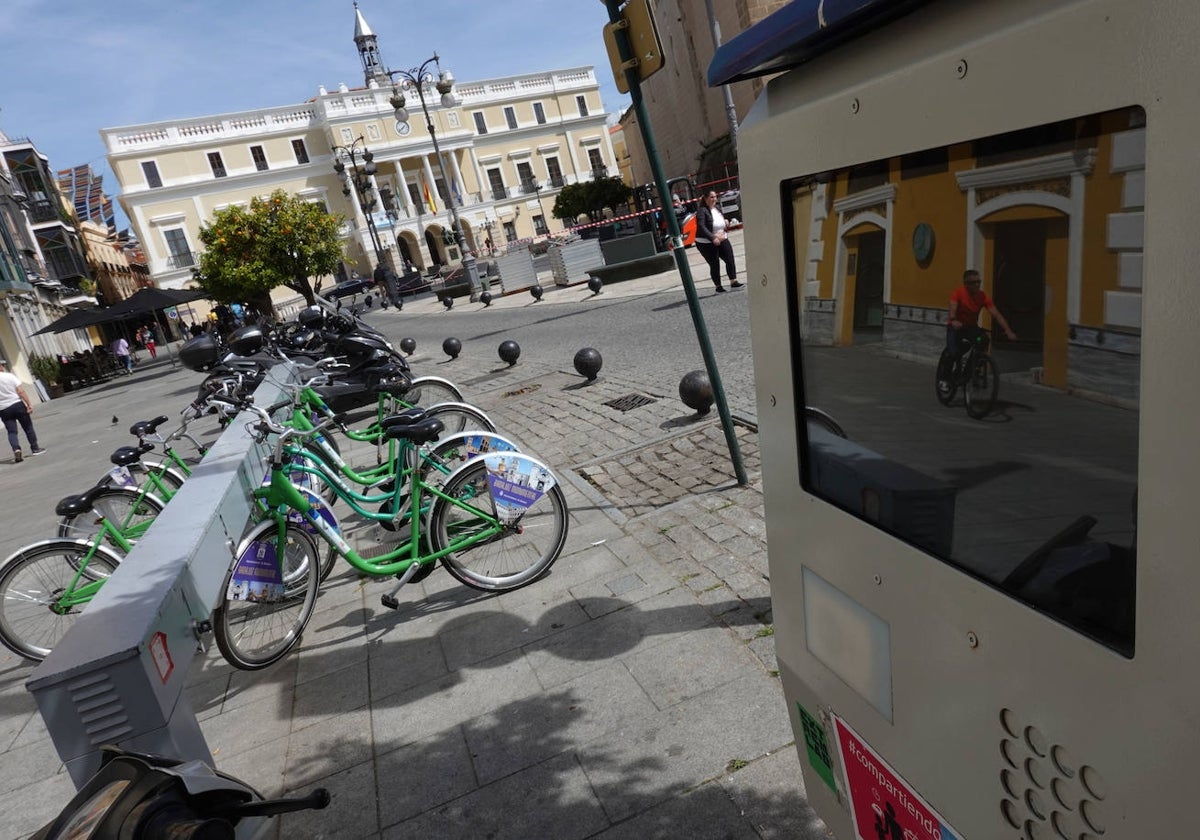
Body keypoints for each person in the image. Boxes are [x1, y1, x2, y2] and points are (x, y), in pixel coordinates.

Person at [938, 269, 1017, 389]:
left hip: (970, 328)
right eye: (973, 282)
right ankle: (944, 379)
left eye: (978, 282)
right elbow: (952, 308)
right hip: (956, 327)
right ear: (966, 284)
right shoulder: (958, 293)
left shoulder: (982, 296)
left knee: (983, 339)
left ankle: (969, 371)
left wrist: (1008, 330)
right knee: (953, 352)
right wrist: (953, 320)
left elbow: (996, 314)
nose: (977, 285)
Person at [694, 190, 741, 293]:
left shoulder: (717, 208)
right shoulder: (702, 211)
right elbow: (701, 227)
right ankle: (718, 286)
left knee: (729, 259)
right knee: (714, 264)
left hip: (722, 237)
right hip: (706, 242)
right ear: (705, 198)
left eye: (715, 197)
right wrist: (713, 238)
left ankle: (733, 281)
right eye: (711, 197)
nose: (714, 199)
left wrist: (725, 222)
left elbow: (718, 221)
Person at [0, 359, 44, 462]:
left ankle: (16, 449)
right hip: (17, 405)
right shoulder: (9, 376)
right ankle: (35, 448)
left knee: (11, 431)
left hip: (3, 409)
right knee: (28, 427)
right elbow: (20, 391)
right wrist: (29, 404)